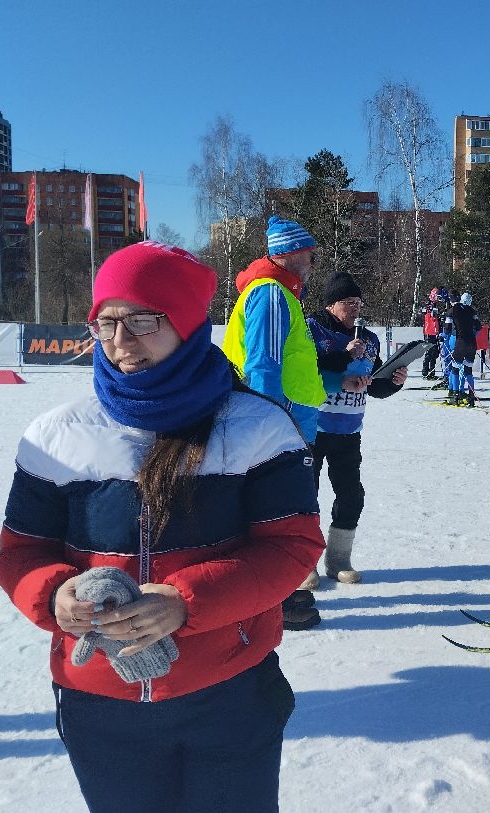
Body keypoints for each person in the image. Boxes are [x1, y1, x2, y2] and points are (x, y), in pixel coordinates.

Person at [0, 241, 326, 812]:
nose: (121, 343)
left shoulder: (256, 428)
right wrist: (54, 597)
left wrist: (185, 602)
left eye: (142, 322)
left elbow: (292, 548)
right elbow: (20, 552)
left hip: (230, 694)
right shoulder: (57, 435)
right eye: (105, 323)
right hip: (98, 702)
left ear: (187, 322)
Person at [223, 215, 326, 630]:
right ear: (292, 253)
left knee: (284, 509)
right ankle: (284, 600)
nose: (315, 262)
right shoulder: (270, 294)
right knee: (283, 512)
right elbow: (264, 364)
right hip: (281, 426)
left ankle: (280, 595)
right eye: (311, 254)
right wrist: (271, 424)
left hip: (287, 421)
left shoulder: (278, 292)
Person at [304, 271, 407, 584]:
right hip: (312, 429)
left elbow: (373, 386)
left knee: (351, 496)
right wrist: (343, 356)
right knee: (306, 497)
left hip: (349, 431)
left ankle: (338, 561)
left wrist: (394, 382)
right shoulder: (312, 328)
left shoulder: (369, 339)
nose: (355, 308)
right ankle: (302, 565)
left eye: (358, 302)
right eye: (348, 302)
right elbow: (303, 374)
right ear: (332, 304)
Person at [448, 292, 482, 407]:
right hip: (472, 343)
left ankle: (455, 395)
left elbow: (447, 328)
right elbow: (478, 327)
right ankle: (471, 397)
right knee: (468, 371)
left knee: (455, 368)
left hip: (461, 342)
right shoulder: (472, 311)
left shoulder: (454, 309)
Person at [420, 287, 444, 379]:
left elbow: (435, 318)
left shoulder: (435, 304)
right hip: (429, 332)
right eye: (437, 296)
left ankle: (431, 371)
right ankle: (425, 372)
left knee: (435, 352)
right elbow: (424, 311)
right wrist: (429, 311)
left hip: (435, 331)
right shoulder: (429, 304)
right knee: (429, 352)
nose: (439, 298)